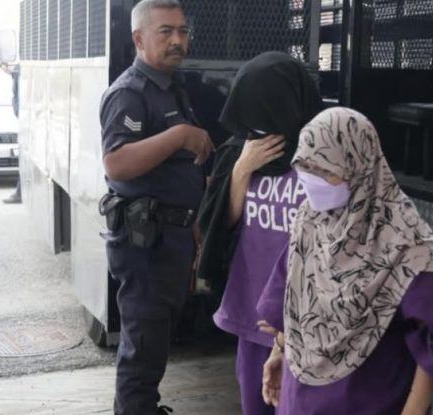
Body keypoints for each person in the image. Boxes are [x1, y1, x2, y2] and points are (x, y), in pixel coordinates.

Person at [257, 107, 433, 415]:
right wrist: (280, 350)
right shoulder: (310, 222)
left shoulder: (407, 247)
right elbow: (294, 297)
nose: (312, 180)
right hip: (298, 401)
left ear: (360, 167)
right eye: (306, 167)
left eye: (325, 171)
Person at [98, 1, 213, 414]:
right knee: (142, 349)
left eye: (182, 31)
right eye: (165, 32)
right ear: (139, 38)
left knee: (155, 344)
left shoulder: (171, 86)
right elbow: (116, 163)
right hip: (146, 246)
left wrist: (195, 222)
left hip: (173, 239)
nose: (177, 40)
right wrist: (179, 135)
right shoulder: (130, 93)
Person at [196, 51, 324, 415]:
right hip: (253, 310)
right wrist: (242, 170)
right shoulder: (240, 150)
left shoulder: (323, 154)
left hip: (310, 319)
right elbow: (218, 225)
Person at [0, 58, 21, 204]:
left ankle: (20, 192)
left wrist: (19, 112)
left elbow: (19, 100)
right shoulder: (17, 74)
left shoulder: (19, 72)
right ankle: (20, 192)